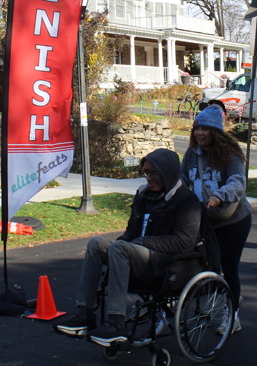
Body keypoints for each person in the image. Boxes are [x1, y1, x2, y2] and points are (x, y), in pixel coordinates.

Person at [55, 148, 201, 345]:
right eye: (146, 172)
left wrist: (143, 241)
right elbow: (131, 232)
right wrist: (122, 242)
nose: (149, 178)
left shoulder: (186, 200)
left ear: (168, 172)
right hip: (136, 255)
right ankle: (84, 314)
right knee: (97, 243)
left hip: (163, 263)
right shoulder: (143, 195)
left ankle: (116, 323)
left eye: (154, 173)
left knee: (120, 249)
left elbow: (183, 242)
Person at [181, 104, 251, 335]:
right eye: (197, 128)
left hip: (233, 221)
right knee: (203, 265)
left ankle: (232, 316)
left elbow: (238, 182)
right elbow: (182, 179)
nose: (200, 133)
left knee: (228, 268)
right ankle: (225, 298)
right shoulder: (191, 153)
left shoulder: (230, 154)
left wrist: (220, 195)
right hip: (204, 219)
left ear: (216, 132)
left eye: (205, 129)